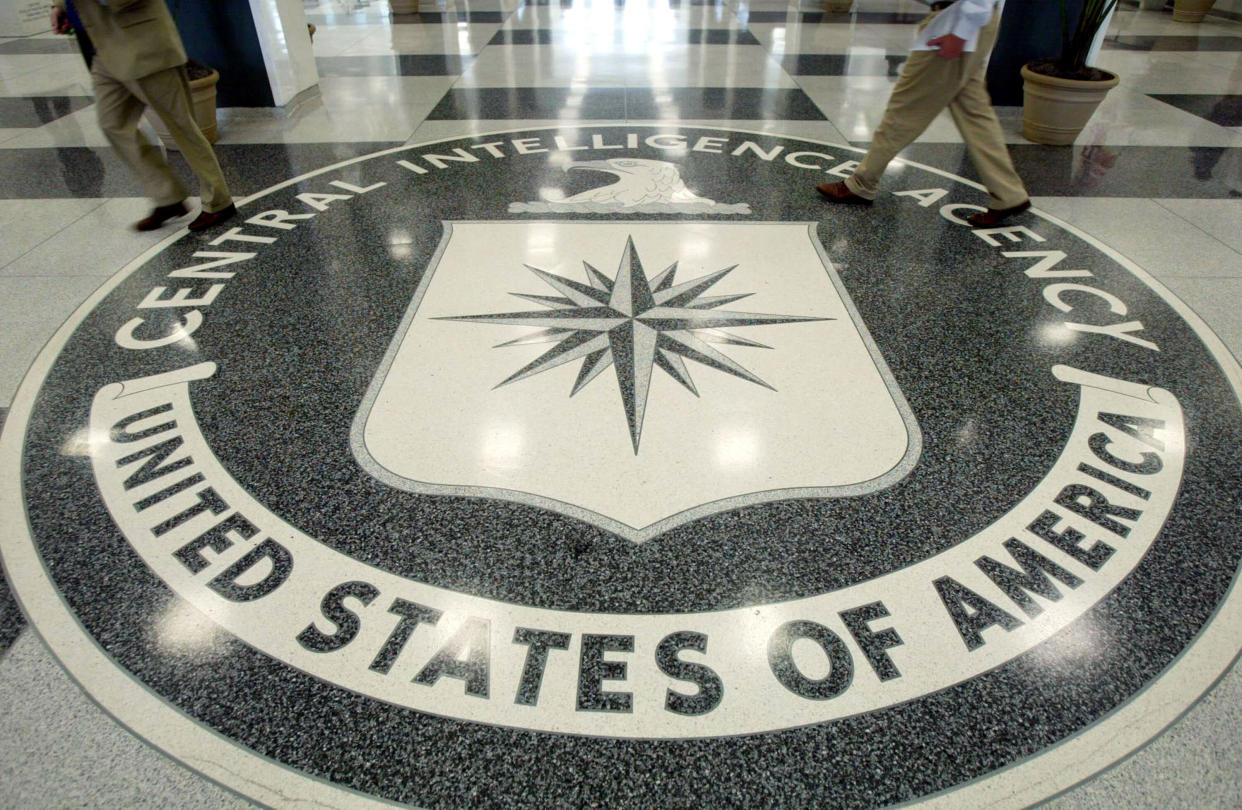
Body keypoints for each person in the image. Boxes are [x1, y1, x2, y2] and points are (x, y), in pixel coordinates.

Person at [816, 0, 1030, 227]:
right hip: (965, 21)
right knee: (973, 112)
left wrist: (959, 33)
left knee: (905, 108)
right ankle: (1008, 194)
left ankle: (861, 183)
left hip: (957, 20)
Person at [50, 0, 237, 232]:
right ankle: (167, 197)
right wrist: (61, 6)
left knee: (181, 127)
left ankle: (219, 201)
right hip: (104, 49)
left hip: (145, 48)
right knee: (113, 124)